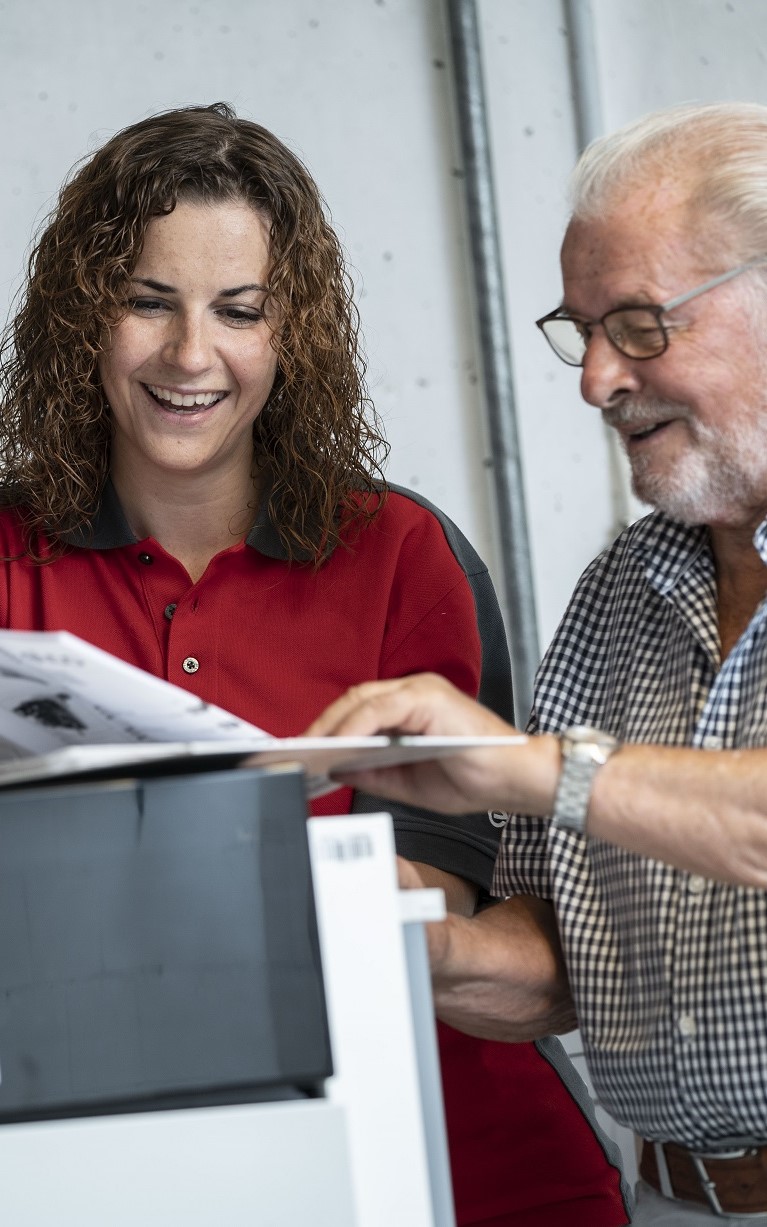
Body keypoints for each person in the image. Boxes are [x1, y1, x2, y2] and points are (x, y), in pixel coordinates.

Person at [0, 104, 630, 1226]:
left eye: (237, 311)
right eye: (149, 301)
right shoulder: (10, 556)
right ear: (82, 314)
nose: (191, 356)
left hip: (444, 1153)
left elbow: (445, 897)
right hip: (103, 1161)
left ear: (290, 334)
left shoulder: (401, 553)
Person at [307, 99, 767, 1224]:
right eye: (580, 330)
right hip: (669, 1199)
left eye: (640, 324)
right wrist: (412, 946)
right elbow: (567, 959)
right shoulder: (616, 596)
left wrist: (521, 764)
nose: (595, 379)